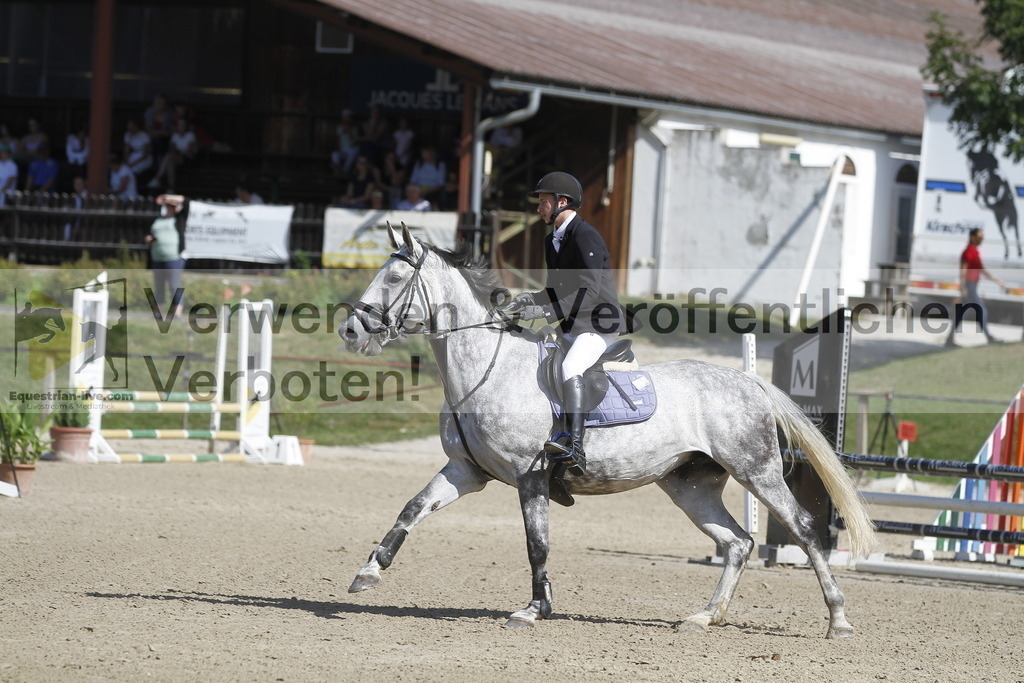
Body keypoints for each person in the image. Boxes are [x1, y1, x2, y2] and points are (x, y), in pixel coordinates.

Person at [507, 172, 635, 475]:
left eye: (543, 202)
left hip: (599, 324)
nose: (539, 208)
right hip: (575, 325)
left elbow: (589, 289)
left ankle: (575, 447)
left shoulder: (585, 235)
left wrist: (546, 312)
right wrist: (530, 300)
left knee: (571, 367)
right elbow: (557, 289)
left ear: (561, 202)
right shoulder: (552, 240)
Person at [946, 228, 1008, 347]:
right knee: (982, 310)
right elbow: (963, 270)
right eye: (979, 237)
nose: (982, 239)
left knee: (962, 313)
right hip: (969, 286)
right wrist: (963, 287)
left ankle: (949, 339)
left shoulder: (975, 251)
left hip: (972, 285)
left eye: (982, 237)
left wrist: (997, 280)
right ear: (972, 237)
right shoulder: (968, 252)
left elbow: (981, 269)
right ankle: (988, 337)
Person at [146, 194, 188, 317]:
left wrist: (168, 197)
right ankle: (158, 312)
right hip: (157, 257)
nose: (170, 208)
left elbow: (186, 202)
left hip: (174, 257)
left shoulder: (179, 219)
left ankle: (177, 313)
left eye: (172, 206)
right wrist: (149, 239)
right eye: (168, 206)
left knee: (174, 285)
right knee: (159, 286)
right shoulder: (157, 219)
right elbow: (149, 233)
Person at [148, 117, 197, 191]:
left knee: (168, 156)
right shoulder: (175, 136)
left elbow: (189, 152)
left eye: (183, 125)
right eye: (179, 125)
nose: (181, 127)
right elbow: (172, 149)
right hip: (175, 157)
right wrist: (177, 152)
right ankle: (171, 188)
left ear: (186, 126)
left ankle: (157, 178)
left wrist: (179, 152)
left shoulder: (190, 135)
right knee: (170, 163)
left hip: (187, 159)